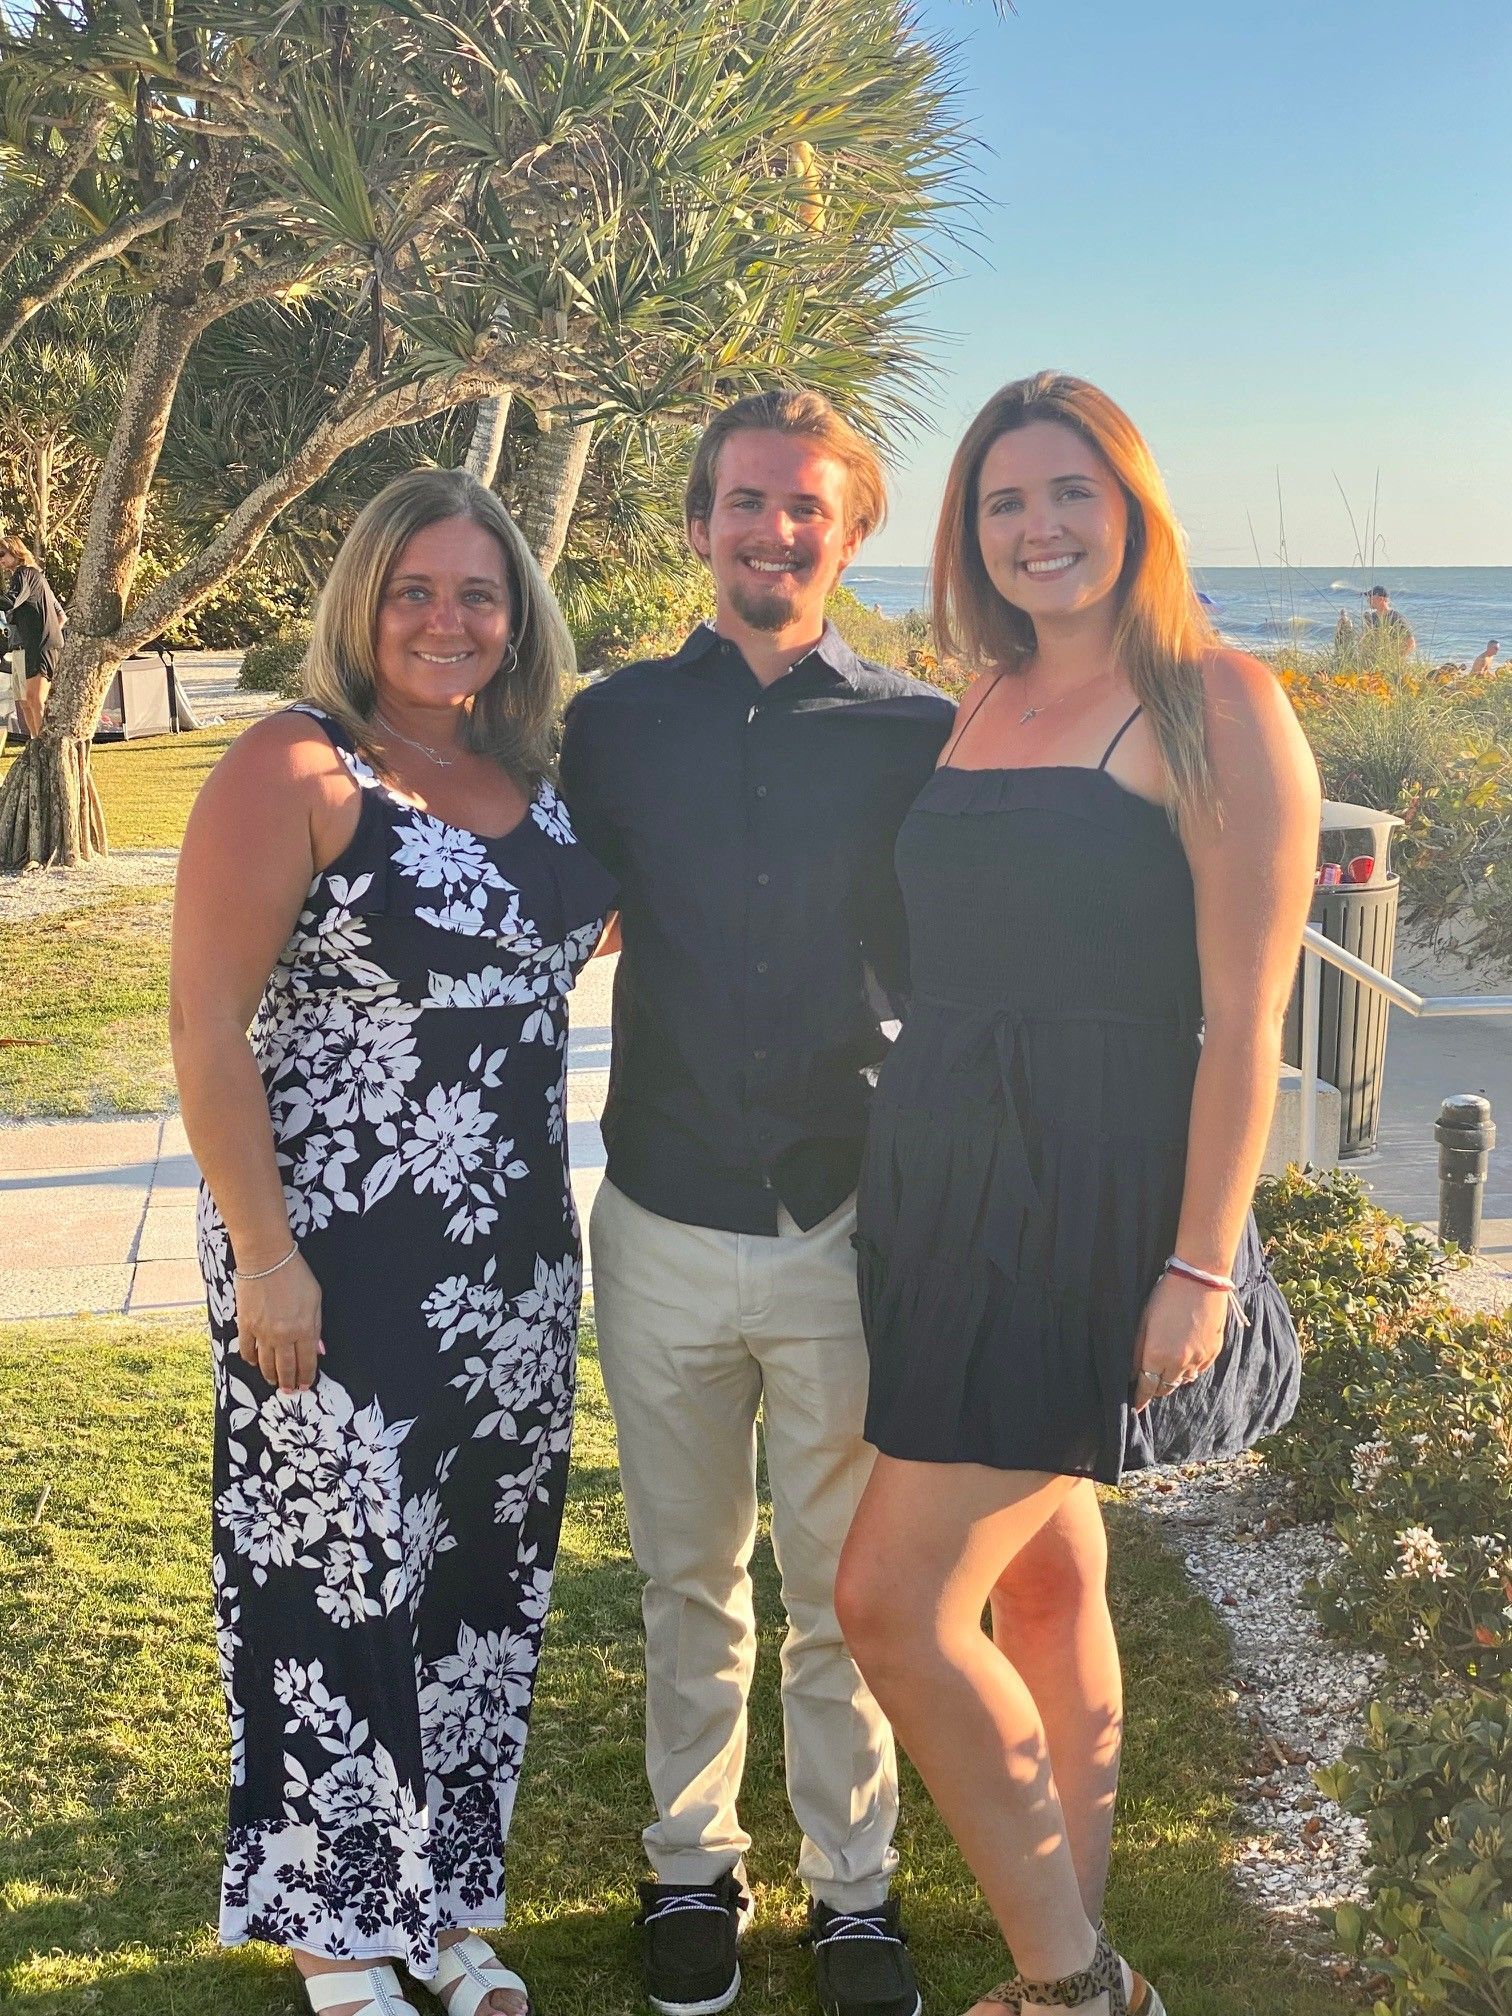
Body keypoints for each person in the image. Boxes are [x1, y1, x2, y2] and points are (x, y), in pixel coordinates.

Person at [832, 372, 1316, 2016]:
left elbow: (1248, 1014)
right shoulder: (973, 699)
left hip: (1089, 1193)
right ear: (969, 534)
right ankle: (1070, 1955)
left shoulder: (1214, 702)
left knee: (888, 1598)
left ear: (1131, 507)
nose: (1039, 527)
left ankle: (1077, 1983)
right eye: (1003, 501)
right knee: (1044, 1573)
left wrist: (1196, 1263)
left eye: (1069, 493)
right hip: (943, 1175)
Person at [171, 469, 615, 2016]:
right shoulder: (294, 767)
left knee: (476, 1587)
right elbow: (206, 1025)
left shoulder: (537, 772)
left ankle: (442, 1908)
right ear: (361, 600)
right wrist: (266, 1254)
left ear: (518, 615)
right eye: (414, 590)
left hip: (511, 1259)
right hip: (336, 1254)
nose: (446, 619)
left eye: (478, 593)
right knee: (330, 1579)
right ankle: (339, 1929)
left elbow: (548, 933)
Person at [558, 390, 954, 2016]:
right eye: (743, 502)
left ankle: (853, 1893)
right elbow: (541, 913)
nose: (770, 530)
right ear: (700, 521)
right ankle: (688, 1864)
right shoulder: (613, 723)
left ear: (847, 528)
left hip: (840, 1228)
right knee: (685, 1579)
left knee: (841, 1589)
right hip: (654, 1213)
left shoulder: (919, 731)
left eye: (804, 506)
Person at [0, 533, 66, 736]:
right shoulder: (30, 576)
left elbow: (10, 601)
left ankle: (44, 745)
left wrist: (46, 633)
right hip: (25, 646)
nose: (0, 560)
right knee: (25, 701)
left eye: (2, 554)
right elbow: (60, 615)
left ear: (15, 551)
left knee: (35, 699)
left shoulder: (25, 573)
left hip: (39, 645)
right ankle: (35, 742)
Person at [1363, 583, 1414, 654]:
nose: (1368, 600)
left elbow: (1410, 642)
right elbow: (1366, 640)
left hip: (1390, 659)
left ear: (1381, 598)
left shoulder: (1396, 617)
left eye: (1370, 596)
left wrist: (1398, 659)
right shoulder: (1371, 617)